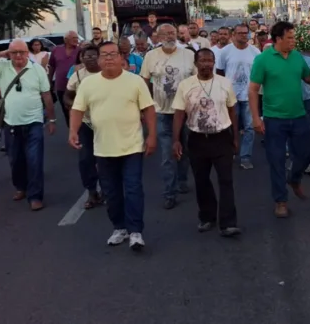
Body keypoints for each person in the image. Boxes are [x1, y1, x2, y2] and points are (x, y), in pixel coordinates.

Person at [70, 41, 157, 251]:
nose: (109, 58)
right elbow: (77, 110)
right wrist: (73, 131)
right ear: (99, 59)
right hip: (103, 148)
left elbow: (148, 109)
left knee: (133, 188)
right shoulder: (89, 84)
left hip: (132, 146)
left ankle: (136, 231)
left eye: (113, 54)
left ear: (121, 58)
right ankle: (120, 227)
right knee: (111, 192)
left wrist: (152, 136)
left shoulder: (135, 81)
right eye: (104, 55)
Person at [248, 21, 310, 218]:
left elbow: (308, 78)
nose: (293, 41)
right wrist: (256, 118)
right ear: (278, 39)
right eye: (290, 37)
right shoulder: (263, 59)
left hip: (299, 115)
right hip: (274, 118)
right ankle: (281, 201)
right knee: (276, 160)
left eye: (294, 37)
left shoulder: (297, 56)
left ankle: (295, 178)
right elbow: (253, 89)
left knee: (306, 154)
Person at [0, 40, 56, 211]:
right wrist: (1, 53)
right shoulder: (3, 66)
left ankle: (35, 196)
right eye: (14, 53)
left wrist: (51, 120)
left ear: (28, 52)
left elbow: (47, 96)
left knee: (34, 160)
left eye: (22, 52)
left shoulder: (37, 70)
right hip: (11, 123)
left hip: (34, 122)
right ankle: (21, 187)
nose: (18, 56)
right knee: (15, 160)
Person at [172, 49, 241, 237]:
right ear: (196, 63)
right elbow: (179, 113)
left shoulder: (224, 83)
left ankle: (228, 223)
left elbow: (232, 111)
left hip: (221, 138)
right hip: (197, 139)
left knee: (226, 180)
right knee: (202, 181)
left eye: (210, 60)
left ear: (214, 62)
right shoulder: (186, 85)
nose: (206, 64)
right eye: (202, 60)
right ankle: (207, 216)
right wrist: (176, 140)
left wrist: (235, 137)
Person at [141, 24, 197, 209]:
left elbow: (197, 80)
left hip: (186, 112)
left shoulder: (188, 55)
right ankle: (169, 192)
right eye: (165, 33)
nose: (170, 36)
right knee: (167, 154)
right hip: (162, 112)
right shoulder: (151, 56)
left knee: (186, 149)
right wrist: (146, 105)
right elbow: (144, 82)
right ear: (158, 36)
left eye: (172, 33)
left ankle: (182, 179)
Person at [216, 24, 262, 169]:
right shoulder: (225, 52)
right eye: (240, 33)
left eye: (245, 33)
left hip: (249, 96)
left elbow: (259, 73)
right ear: (233, 35)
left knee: (249, 127)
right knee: (230, 127)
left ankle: (245, 157)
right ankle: (231, 152)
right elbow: (219, 72)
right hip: (231, 97)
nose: (243, 35)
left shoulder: (255, 52)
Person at [64, 45, 104, 209]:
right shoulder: (78, 76)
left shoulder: (107, 73)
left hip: (106, 123)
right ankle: (92, 192)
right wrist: (74, 105)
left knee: (106, 158)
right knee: (86, 159)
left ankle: (109, 191)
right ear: (81, 58)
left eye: (94, 56)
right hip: (85, 123)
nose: (90, 59)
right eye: (86, 56)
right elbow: (67, 96)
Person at [48, 31, 81, 125]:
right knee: (66, 110)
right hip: (61, 86)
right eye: (74, 38)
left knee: (78, 109)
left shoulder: (80, 50)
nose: (76, 40)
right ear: (66, 40)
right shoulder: (56, 50)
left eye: (77, 38)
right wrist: (49, 81)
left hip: (77, 86)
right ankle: (72, 131)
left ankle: (79, 131)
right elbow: (52, 66)